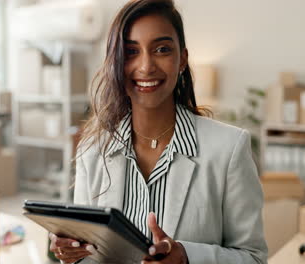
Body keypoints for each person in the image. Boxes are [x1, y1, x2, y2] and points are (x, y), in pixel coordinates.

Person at [49, 0, 268, 263]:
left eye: (162, 49)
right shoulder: (92, 150)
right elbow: (89, 255)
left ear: (182, 60)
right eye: (131, 51)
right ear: (115, 63)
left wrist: (187, 257)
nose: (146, 66)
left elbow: (254, 258)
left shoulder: (229, 148)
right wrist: (73, 254)